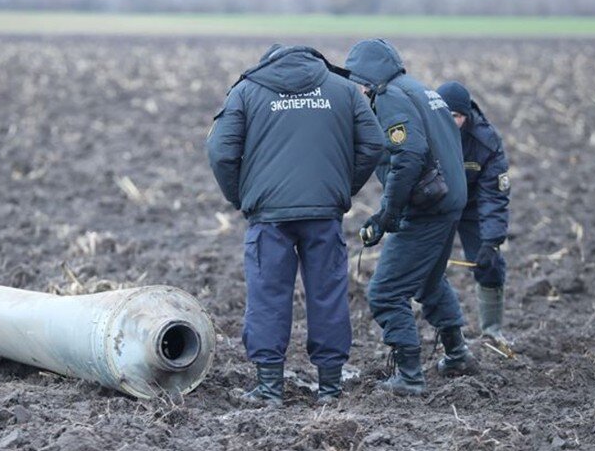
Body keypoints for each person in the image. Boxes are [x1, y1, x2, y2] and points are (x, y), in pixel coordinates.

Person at [206, 44, 386, 407]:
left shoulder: (246, 91)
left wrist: (241, 196)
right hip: (323, 213)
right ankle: (331, 389)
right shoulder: (344, 90)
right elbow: (374, 143)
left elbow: (220, 151)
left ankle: (270, 388)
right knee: (328, 294)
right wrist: (341, 187)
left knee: (267, 295)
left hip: (268, 216)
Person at [343, 38, 478, 396]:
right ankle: (458, 354)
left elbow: (409, 154)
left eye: (355, 80)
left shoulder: (389, 98)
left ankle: (409, 376)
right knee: (429, 281)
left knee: (386, 292)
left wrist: (388, 213)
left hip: (428, 209)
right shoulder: (421, 90)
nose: (354, 88)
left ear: (369, 79)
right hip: (450, 201)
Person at [437, 81, 511, 347]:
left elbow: (494, 195)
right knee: (424, 266)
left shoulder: (485, 141)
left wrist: (492, 241)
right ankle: (442, 330)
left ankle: (491, 330)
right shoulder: (425, 130)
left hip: (472, 207)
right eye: (444, 115)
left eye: (455, 116)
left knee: (489, 264)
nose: (449, 121)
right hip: (436, 205)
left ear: (466, 116)